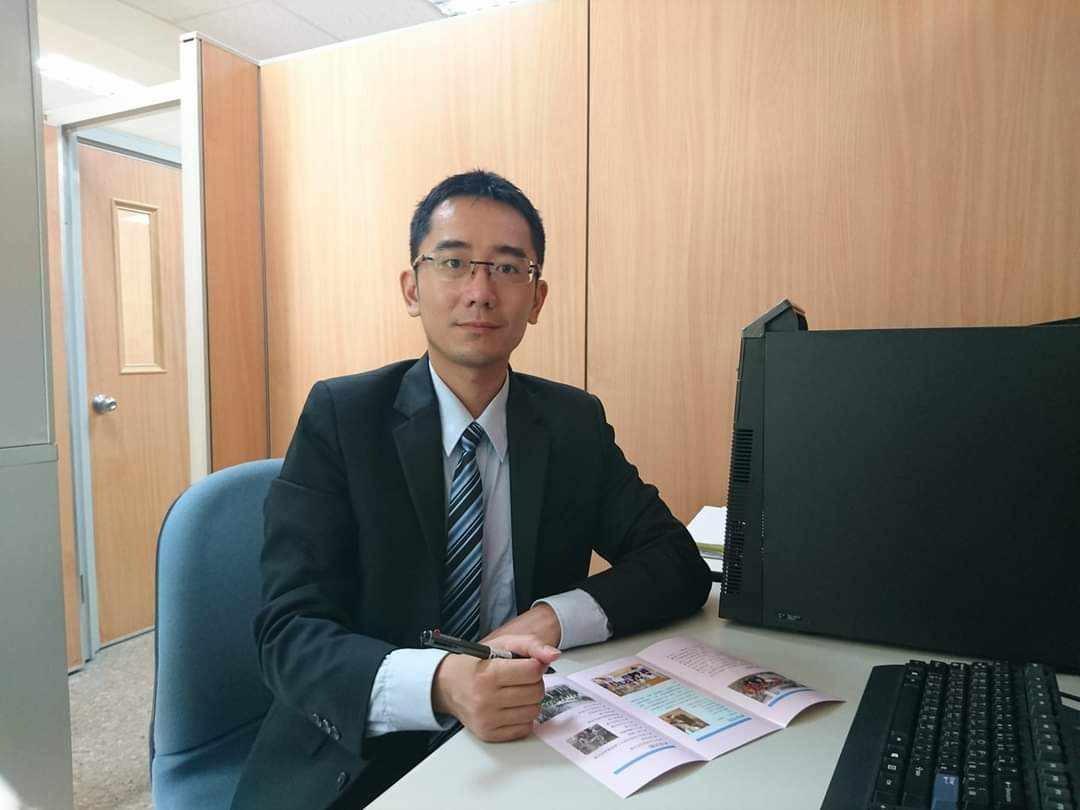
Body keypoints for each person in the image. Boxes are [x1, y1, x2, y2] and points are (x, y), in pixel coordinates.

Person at [231, 170, 711, 809]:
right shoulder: (343, 418)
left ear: (537, 299)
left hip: (526, 733)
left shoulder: (571, 424)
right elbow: (288, 630)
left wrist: (549, 618)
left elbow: (676, 563)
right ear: (412, 288)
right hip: (365, 746)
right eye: (453, 262)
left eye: (509, 269)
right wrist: (442, 683)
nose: (480, 293)